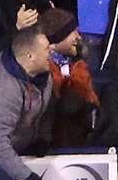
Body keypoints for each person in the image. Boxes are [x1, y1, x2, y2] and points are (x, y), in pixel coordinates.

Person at [0, 28, 52, 180]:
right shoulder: (5, 89)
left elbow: (47, 111)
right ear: (30, 56)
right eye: (46, 48)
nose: (51, 50)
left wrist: (41, 138)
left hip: (18, 150)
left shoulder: (45, 78)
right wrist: (25, 175)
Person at [39, 9, 98, 148]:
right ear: (55, 39)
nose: (78, 37)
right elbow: (68, 107)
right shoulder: (43, 70)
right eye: (73, 32)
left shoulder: (77, 65)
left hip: (76, 142)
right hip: (50, 148)